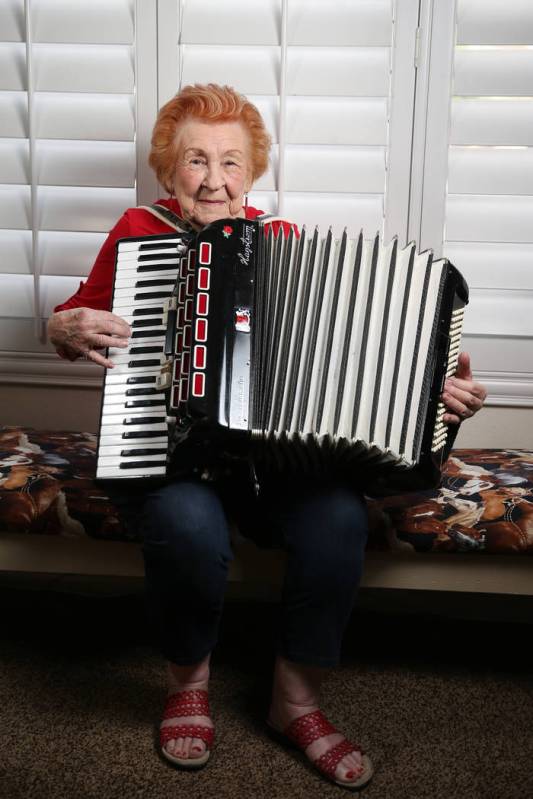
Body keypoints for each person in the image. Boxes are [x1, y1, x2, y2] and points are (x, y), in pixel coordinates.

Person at [47, 83, 487, 790]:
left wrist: (432, 394)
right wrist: (62, 326)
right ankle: (187, 685)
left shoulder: (280, 245)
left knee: (337, 516)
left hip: (272, 467)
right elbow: (76, 319)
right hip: (169, 453)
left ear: (252, 174)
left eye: (230, 162)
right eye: (195, 160)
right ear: (169, 172)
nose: (213, 178)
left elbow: (359, 369)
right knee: (185, 522)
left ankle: (296, 701)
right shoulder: (139, 233)